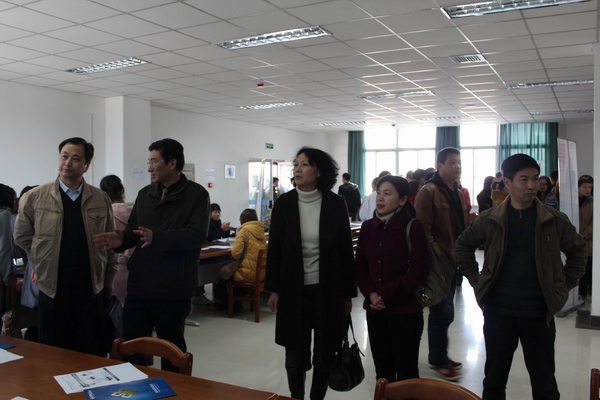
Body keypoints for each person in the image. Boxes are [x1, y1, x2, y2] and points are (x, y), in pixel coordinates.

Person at [456, 153, 587, 400]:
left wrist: (563, 285)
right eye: (524, 179)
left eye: (535, 179)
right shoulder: (490, 219)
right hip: (498, 311)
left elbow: (579, 251)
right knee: (494, 381)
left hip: (538, 313)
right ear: (507, 183)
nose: (531, 185)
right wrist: (477, 281)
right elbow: (463, 246)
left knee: (544, 383)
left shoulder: (553, 220)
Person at [95, 138, 210, 372]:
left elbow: (196, 235)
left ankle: (175, 389)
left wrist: (157, 237)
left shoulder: (196, 195)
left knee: (171, 350)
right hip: (140, 285)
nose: (149, 168)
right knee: (131, 347)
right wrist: (121, 240)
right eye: (148, 162)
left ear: (172, 163)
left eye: (154, 162)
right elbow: (135, 231)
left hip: (173, 287)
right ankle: (133, 389)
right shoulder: (145, 194)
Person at [265, 147, 356, 400]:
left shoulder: (335, 204)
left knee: (325, 353)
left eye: (305, 164)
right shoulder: (284, 204)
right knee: (295, 355)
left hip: (328, 289)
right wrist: (273, 290)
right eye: (296, 164)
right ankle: (297, 395)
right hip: (293, 289)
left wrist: (348, 294)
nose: (297, 169)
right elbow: (275, 250)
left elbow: (345, 251)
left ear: (319, 171)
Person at [14, 137, 117, 356]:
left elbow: (109, 241)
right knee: (53, 349)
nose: (67, 163)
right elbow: (22, 236)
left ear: (86, 165)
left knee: (90, 347)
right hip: (52, 286)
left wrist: (109, 277)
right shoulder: (35, 197)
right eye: (64, 156)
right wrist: (42, 259)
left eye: (75, 158)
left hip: (90, 285)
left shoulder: (100, 199)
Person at [355, 175, 432, 383]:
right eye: (378, 193)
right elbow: (360, 266)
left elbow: (419, 270)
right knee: (383, 371)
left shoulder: (413, 227)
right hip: (375, 312)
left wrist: (384, 295)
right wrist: (371, 294)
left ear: (403, 200)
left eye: (387, 193)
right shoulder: (367, 227)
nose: (380, 198)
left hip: (405, 312)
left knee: (407, 372)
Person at [414, 147, 469, 381]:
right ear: (440, 166)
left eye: (459, 162)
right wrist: (438, 256)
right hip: (440, 262)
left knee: (445, 312)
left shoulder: (457, 191)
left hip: (454, 260)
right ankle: (438, 360)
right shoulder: (428, 191)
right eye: (452, 162)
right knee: (441, 311)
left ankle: (440, 356)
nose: (457, 166)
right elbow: (422, 231)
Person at [100, 175, 134, 307]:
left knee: (115, 311)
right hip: (138, 270)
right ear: (122, 190)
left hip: (115, 271)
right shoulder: (137, 213)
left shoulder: (106, 215)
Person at [578, 174, 593, 299]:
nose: (587, 190)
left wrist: (584, 235)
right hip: (573, 239)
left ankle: (583, 292)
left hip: (587, 241)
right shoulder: (571, 200)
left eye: (589, 187)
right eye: (584, 187)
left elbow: (595, 222)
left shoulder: (592, 202)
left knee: (587, 268)